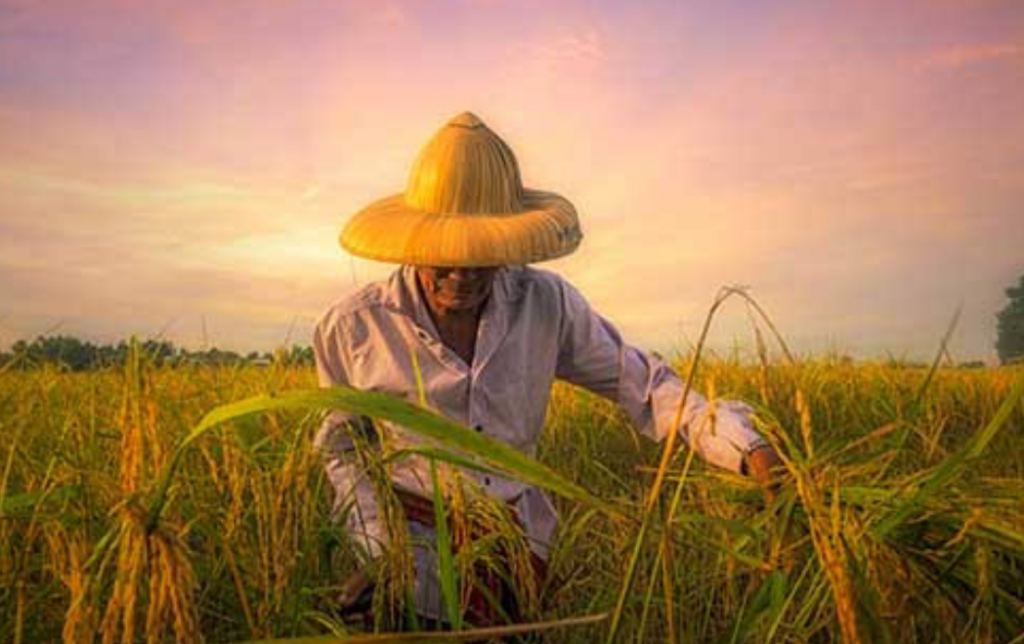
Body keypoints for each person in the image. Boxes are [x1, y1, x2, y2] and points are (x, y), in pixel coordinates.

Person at [312, 111, 782, 626]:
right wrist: (379, 553)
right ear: (414, 242)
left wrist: (745, 446)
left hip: (516, 551)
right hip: (412, 561)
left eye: (482, 253)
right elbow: (343, 450)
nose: (462, 274)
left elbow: (644, 386)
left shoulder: (546, 305)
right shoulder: (355, 328)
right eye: (443, 254)